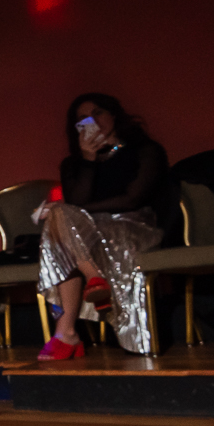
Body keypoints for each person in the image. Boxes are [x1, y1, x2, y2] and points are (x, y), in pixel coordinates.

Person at [35, 93, 172, 358]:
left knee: (59, 218)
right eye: (82, 118)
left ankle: (66, 333)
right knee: (61, 219)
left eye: (98, 112)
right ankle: (91, 279)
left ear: (113, 115)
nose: (91, 120)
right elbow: (77, 201)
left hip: (134, 224)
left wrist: (66, 210)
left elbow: (134, 198)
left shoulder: (145, 151)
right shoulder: (74, 164)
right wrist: (88, 159)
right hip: (87, 232)